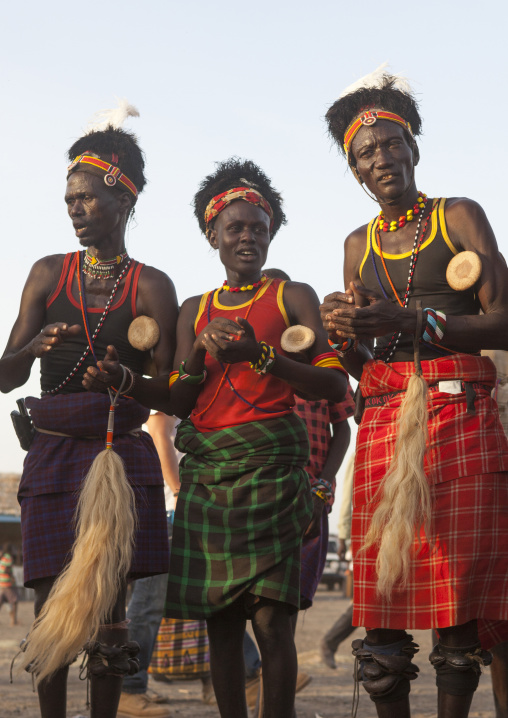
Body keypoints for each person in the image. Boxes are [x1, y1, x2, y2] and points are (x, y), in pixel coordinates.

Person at [83, 158, 348, 718]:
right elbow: (178, 396)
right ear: (213, 236)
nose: (248, 237)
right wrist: (128, 379)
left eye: (258, 227)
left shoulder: (292, 296)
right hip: (211, 481)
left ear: (271, 233)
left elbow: (331, 381)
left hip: (275, 474)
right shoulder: (193, 310)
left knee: (274, 625)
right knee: (223, 630)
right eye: (236, 228)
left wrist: (263, 357)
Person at [320, 66, 508, 718]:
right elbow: (358, 360)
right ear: (355, 172)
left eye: (391, 144)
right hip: (385, 419)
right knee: (382, 605)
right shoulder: (356, 246)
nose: (381, 159)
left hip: (459, 412)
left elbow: (504, 318)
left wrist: (419, 322)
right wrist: (341, 334)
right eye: (365, 154)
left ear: (414, 148)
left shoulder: (459, 216)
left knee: (456, 610)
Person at [0, 112, 178, 718]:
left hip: (120, 457)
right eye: (69, 199)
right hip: (51, 452)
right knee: (53, 607)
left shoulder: (153, 286)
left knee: (108, 611)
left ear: (122, 196)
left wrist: (126, 379)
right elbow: (5, 375)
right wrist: (31, 350)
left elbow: (174, 393)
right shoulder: (48, 273)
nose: (75, 209)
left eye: (87, 197)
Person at [118, 412, 180, 718]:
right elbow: (159, 433)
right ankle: (127, 689)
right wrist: (180, 492)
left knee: (204, 596)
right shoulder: (166, 391)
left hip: (170, 507)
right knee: (148, 603)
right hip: (171, 509)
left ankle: (247, 672)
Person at [0, 543, 19, 626]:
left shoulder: (3, 558)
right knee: (14, 601)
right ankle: (13, 621)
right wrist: (11, 576)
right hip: (7, 583)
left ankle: (13, 620)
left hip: (1, 583)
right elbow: (6, 569)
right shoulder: (8, 557)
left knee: (2, 601)